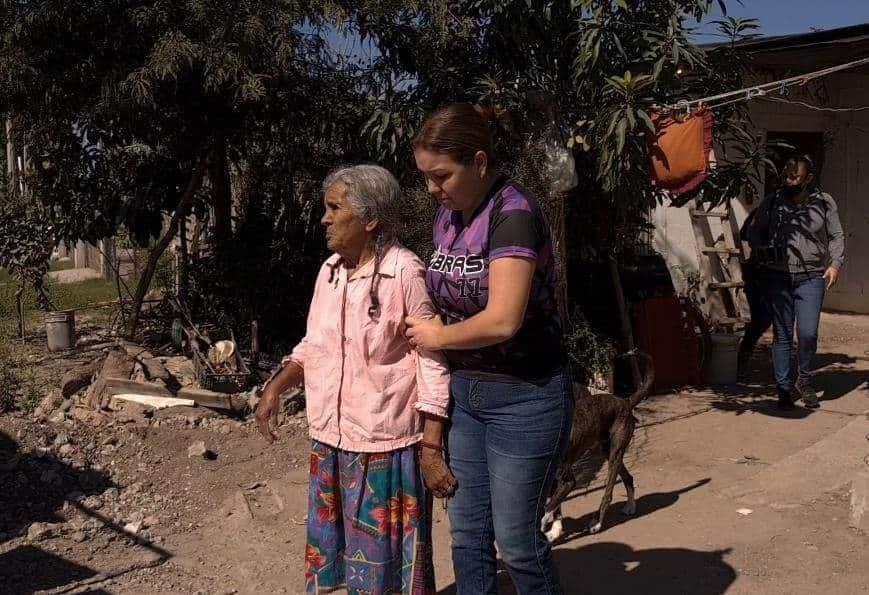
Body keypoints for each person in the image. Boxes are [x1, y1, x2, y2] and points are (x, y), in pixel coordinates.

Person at [256, 165, 456, 595]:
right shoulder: (329, 271)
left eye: (334, 208)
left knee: (386, 574)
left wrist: (432, 445)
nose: (324, 219)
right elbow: (314, 345)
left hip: (384, 447)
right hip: (330, 442)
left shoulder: (404, 272)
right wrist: (277, 384)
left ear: (370, 219)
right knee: (345, 568)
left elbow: (431, 359)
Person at [405, 103, 574, 595]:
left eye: (442, 176)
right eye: (426, 177)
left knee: (517, 540)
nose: (432, 189)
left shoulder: (514, 213)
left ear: (479, 163)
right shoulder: (448, 215)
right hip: (466, 394)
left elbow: (503, 319)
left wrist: (437, 336)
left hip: (526, 396)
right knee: (468, 535)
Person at [744, 155, 845, 409]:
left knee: (808, 333)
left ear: (808, 179)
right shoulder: (773, 201)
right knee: (783, 334)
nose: (790, 181)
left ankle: (804, 380)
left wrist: (835, 264)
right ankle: (783, 388)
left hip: (811, 276)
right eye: (787, 177)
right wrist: (762, 249)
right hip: (778, 277)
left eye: (796, 177)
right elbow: (753, 232)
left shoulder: (823, 202)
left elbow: (836, 235)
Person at [737, 202, 774, 377]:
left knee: (765, 319)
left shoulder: (760, 210)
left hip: (759, 270)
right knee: (763, 318)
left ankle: (744, 356)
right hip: (760, 271)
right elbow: (746, 234)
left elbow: (743, 234)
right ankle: (742, 357)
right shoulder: (765, 212)